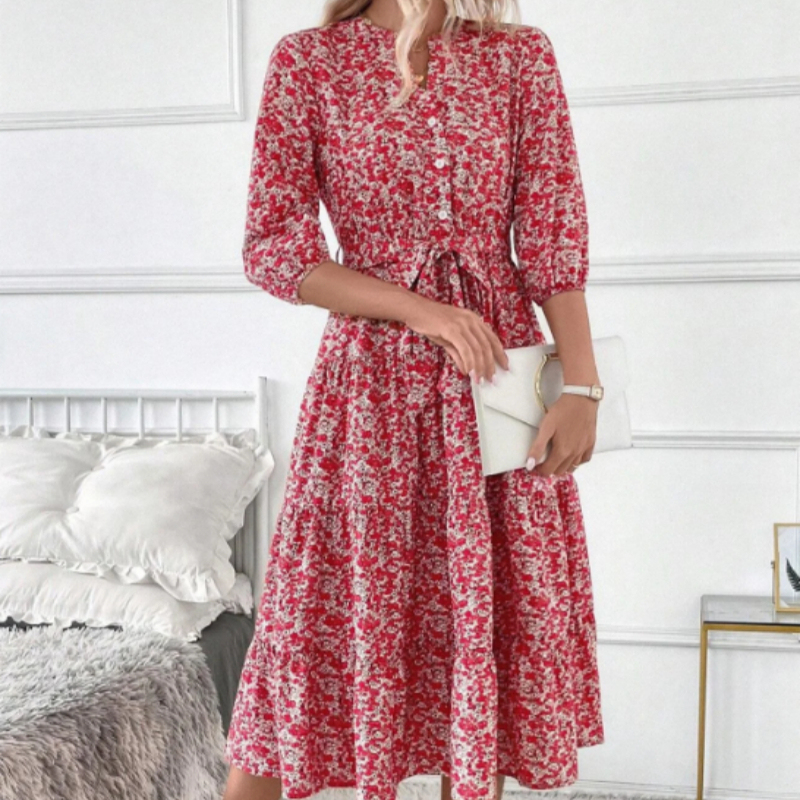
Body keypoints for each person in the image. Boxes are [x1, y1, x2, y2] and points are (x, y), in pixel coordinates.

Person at [223, 1, 605, 799]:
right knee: (307, 622)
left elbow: (551, 230)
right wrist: (422, 311)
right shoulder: (309, 62)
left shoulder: (517, 58)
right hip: (368, 394)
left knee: (483, 618)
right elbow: (275, 245)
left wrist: (582, 383)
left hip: (497, 387)